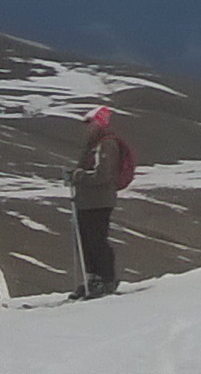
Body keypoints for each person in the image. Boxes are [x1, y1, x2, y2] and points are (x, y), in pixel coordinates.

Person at [68, 106, 124, 299]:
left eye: (90, 123)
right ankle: (92, 278)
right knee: (86, 241)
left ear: (99, 123)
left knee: (96, 241)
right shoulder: (95, 145)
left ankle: (106, 278)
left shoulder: (105, 145)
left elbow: (103, 175)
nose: (87, 128)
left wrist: (79, 176)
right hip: (88, 202)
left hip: (98, 202)